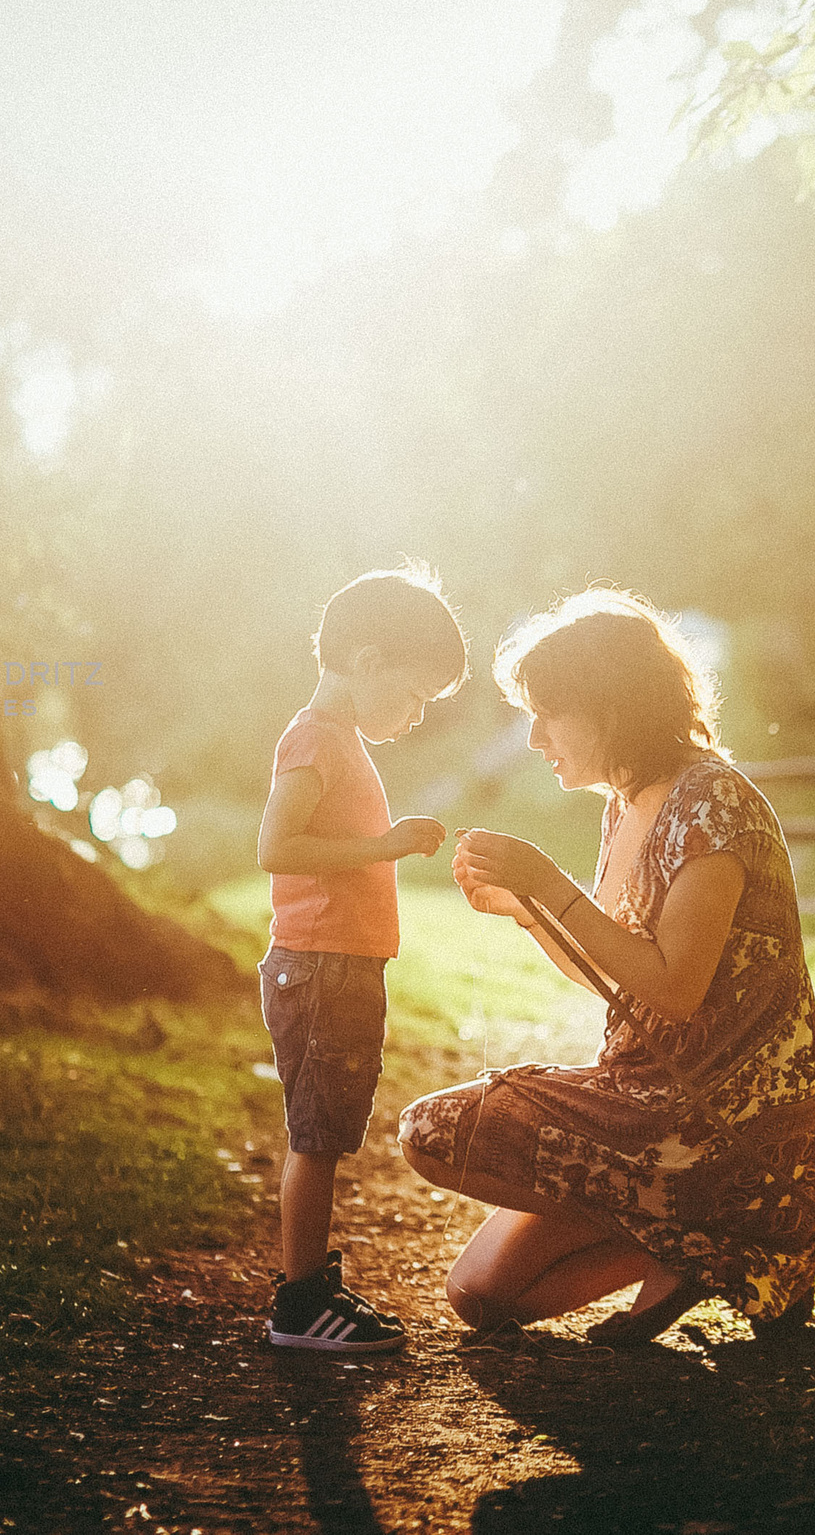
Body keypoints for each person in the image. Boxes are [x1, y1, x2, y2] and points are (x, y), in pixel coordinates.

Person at [397, 586, 815, 1344]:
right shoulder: (626, 803)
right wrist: (529, 911)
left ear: (613, 706)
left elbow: (673, 989)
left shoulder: (714, 804)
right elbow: (619, 980)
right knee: (479, 1294)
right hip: (643, 1099)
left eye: (549, 712)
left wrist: (551, 885)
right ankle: (698, 1245)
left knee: (432, 1129)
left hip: (731, 1120)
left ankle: (737, 1220)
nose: (535, 737)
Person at [253, 565, 468, 1352]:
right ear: (369, 661)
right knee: (316, 1136)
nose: (416, 715)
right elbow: (276, 846)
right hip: (321, 967)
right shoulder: (315, 738)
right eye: (414, 696)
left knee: (326, 1130)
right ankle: (301, 1302)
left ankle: (311, 1285)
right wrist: (385, 846)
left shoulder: (334, 740)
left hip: (338, 966)